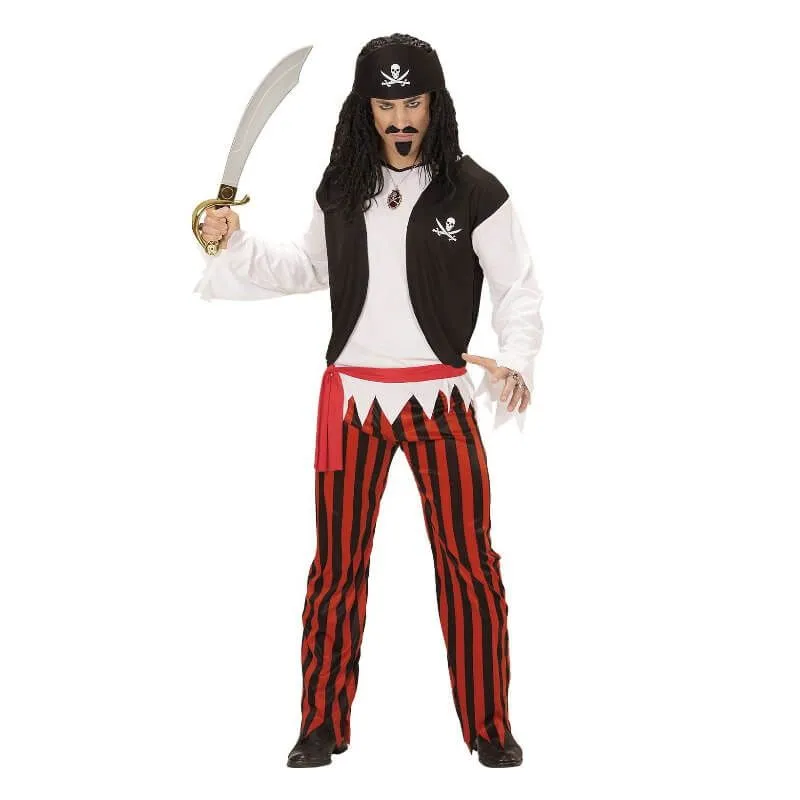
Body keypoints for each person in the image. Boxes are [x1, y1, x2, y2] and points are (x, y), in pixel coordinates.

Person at [194, 32, 543, 768]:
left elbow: (517, 287)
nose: (401, 119)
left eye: (413, 102)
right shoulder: (342, 186)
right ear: (367, 110)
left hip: (441, 403)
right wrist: (234, 242)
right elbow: (306, 267)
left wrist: (516, 358)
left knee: (470, 563)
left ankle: (489, 725)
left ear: (435, 105)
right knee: (337, 567)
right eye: (387, 105)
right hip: (352, 404)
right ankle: (321, 724)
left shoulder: (474, 191)